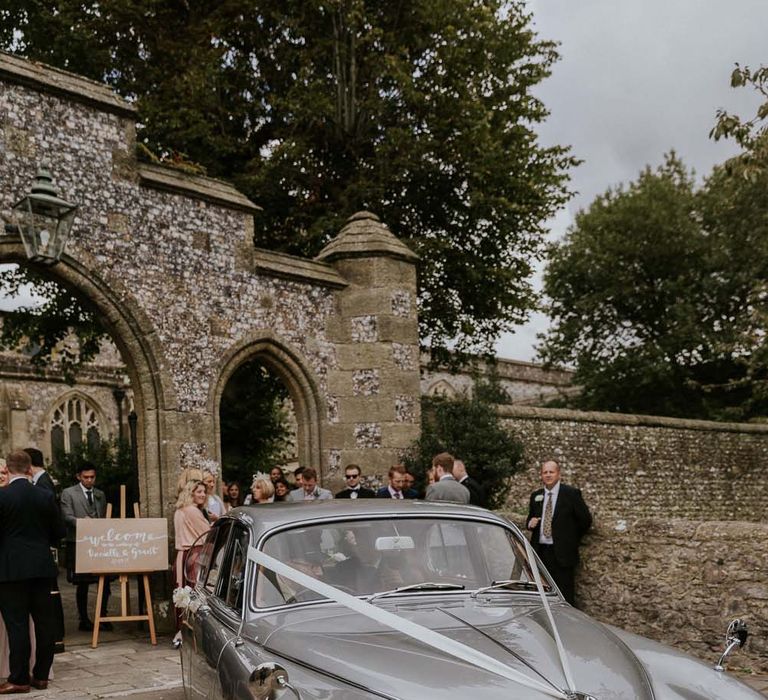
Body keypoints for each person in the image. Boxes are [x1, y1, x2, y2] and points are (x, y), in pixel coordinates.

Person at [0, 450, 60, 693]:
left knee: (17, 625)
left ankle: (19, 678)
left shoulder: (2, 497)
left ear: (9, 469)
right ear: (28, 469)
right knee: (45, 623)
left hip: (10, 568)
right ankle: (42, 675)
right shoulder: (44, 496)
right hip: (42, 566)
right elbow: (59, 533)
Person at [526, 459, 592, 607]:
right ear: (541, 475)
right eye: (545, 472)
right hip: (540, 552)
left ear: (558, 474)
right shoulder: (536, 495)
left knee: (564, 595)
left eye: (551, 472)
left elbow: (585, 520)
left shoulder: (571, 494)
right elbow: (530, 519)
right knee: (540, 592)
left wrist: (571, 540)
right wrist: (530, 523)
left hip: (562, 554)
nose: (548, 475)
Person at [60, 463, 112, 632]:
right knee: (82, 583)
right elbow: (67, 516)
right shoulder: (68, 493)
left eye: (92, 477)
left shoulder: (100, 494)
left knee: (104, 580)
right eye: (86, 477)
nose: (89, 480)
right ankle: (84, 619)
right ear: (79, 477)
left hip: (98, 542)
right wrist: (84, 524)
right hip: (78, 542)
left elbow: (103, 515)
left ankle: (102, 615)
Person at [24, 448, 65, 655]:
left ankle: (56, 639)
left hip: (44, 548)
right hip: (42, 548)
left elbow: (54, 522)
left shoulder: (43, 484)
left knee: (50, 595)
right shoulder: (41, 483)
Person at [172, 480, 211, 648]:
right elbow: (208, 534)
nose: (203, 494)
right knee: (195, 594)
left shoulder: (179, 511)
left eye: (204, 491)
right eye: (199, 491)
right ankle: (194, 633)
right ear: (191, 493)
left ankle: (180, 630)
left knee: (182, 594)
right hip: (194, 554)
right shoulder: (193, 511)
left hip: (181, 555)